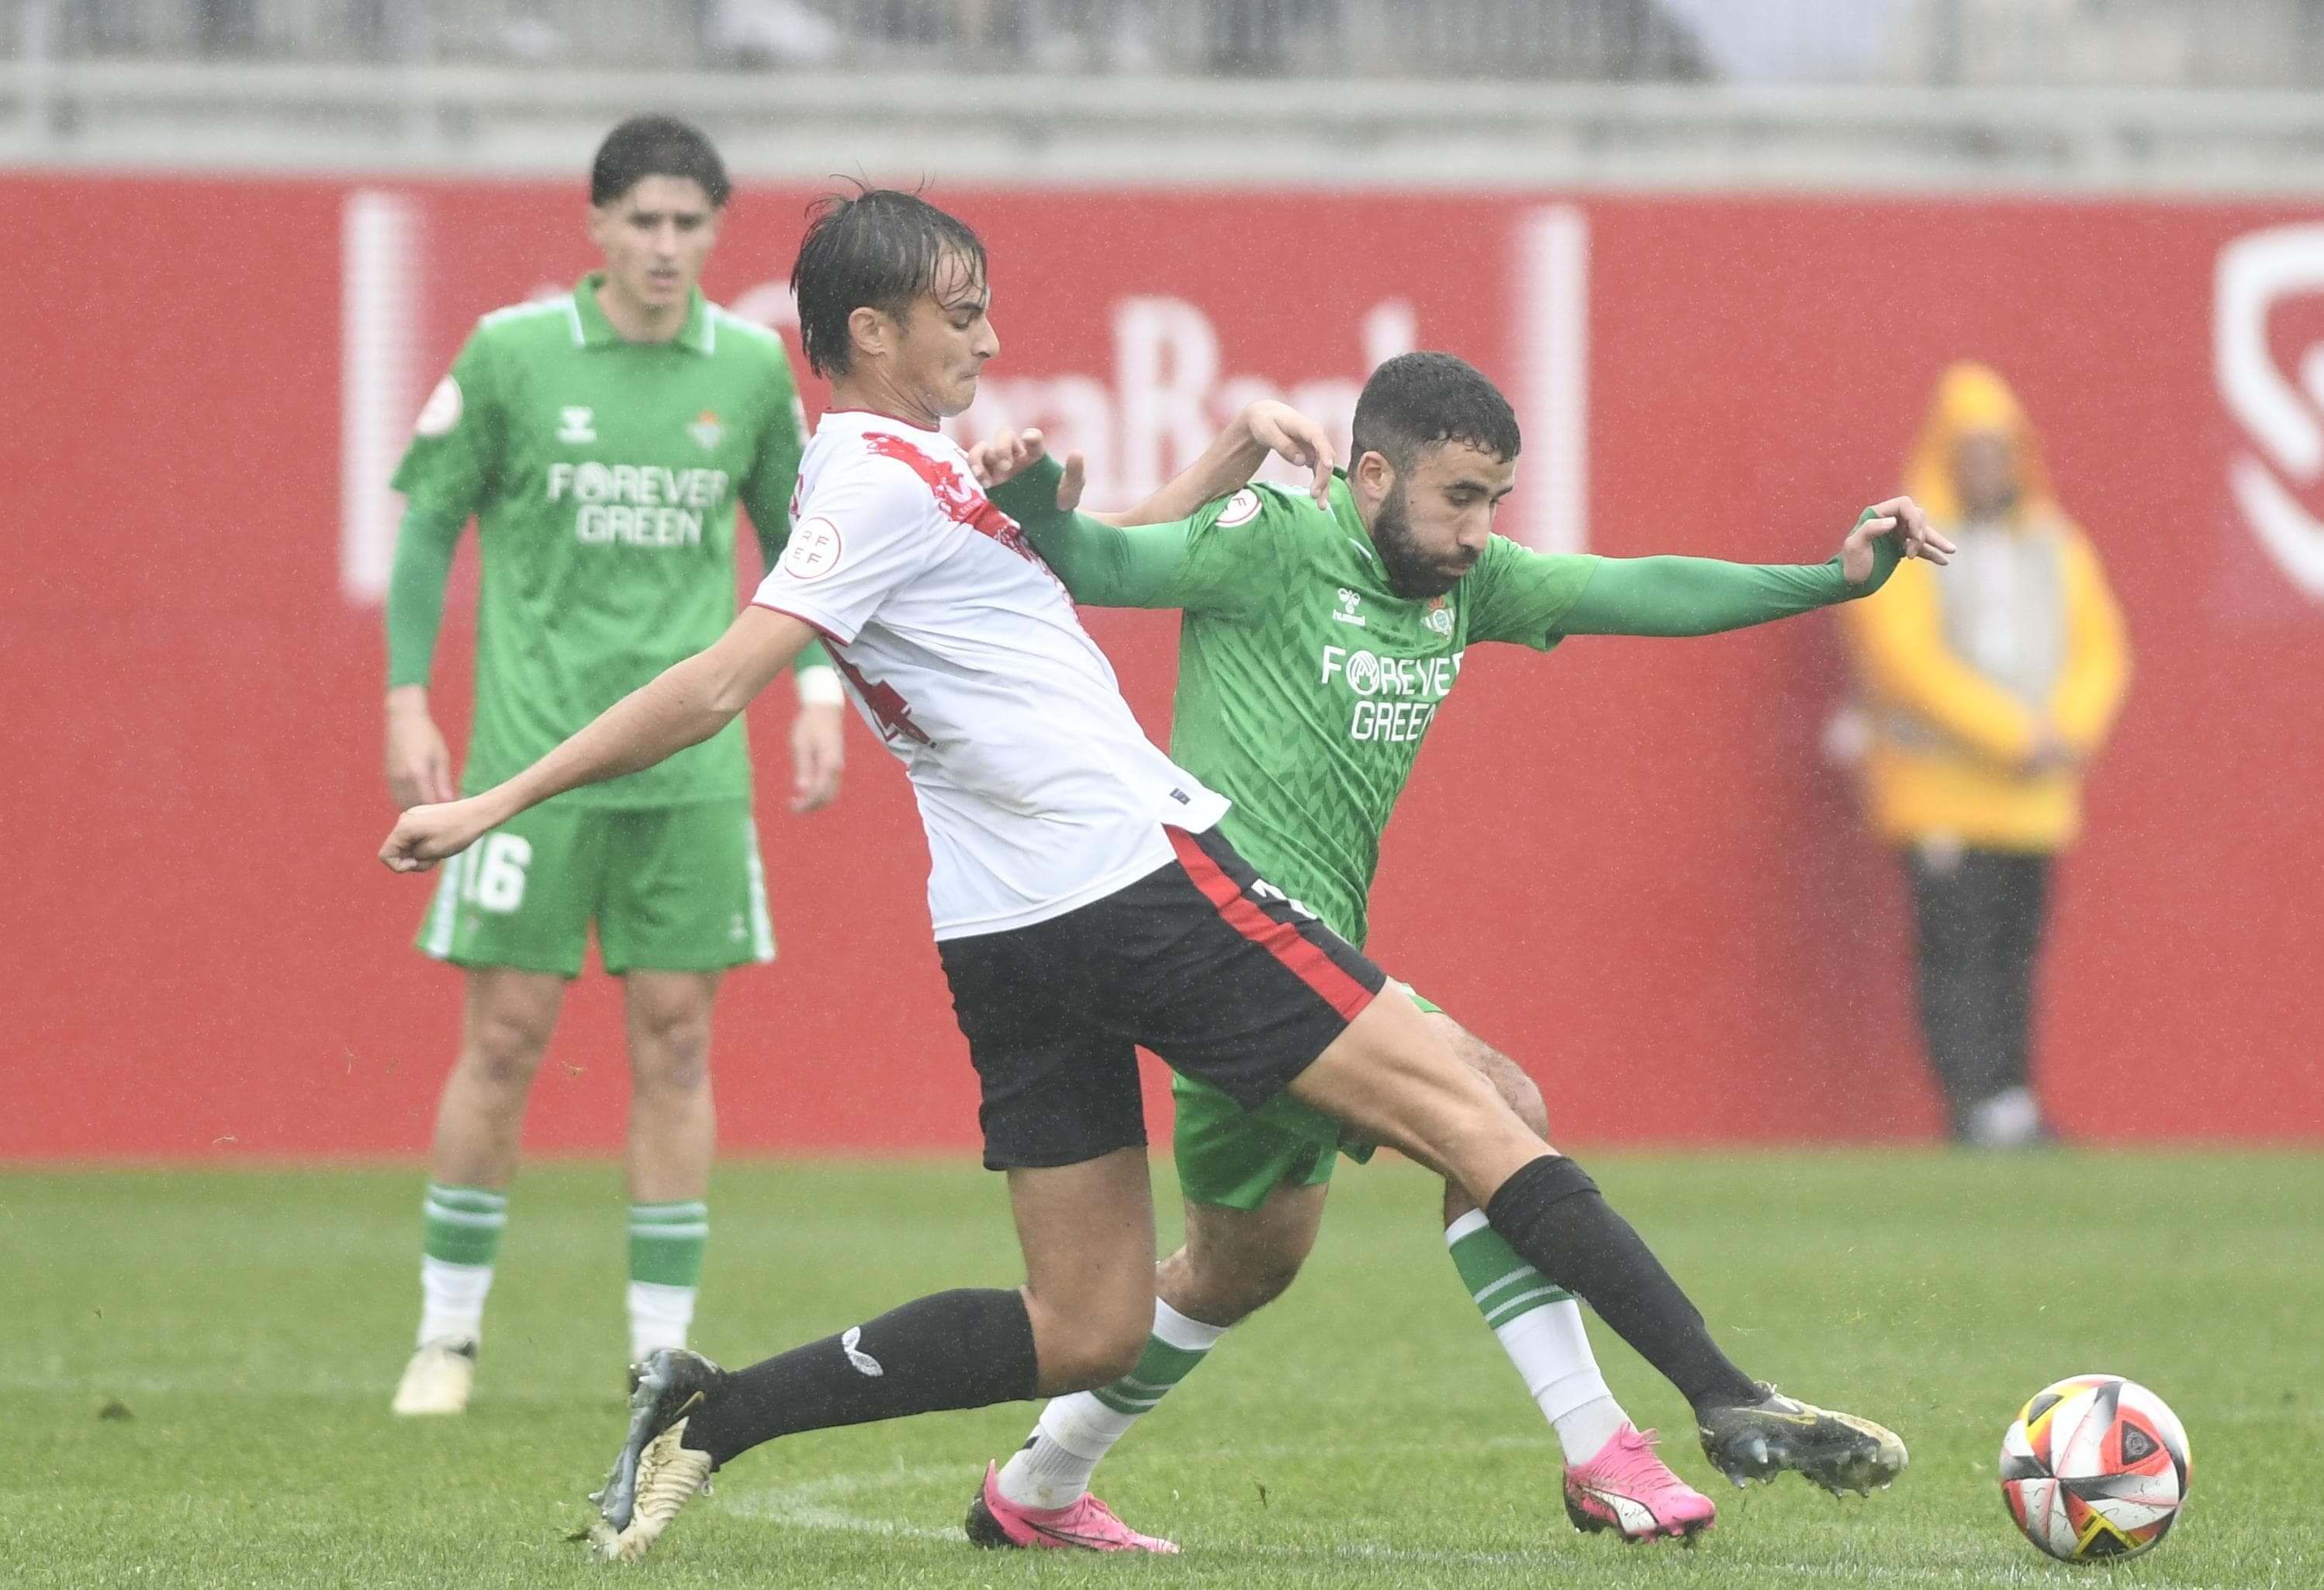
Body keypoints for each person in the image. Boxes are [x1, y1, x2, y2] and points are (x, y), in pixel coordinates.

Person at [379, 188, 1907, 1565]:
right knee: (1474, 1104)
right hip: (1132, 878)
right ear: (873, 326)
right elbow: (717, 683)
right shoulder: (866, 486)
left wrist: (1222, 449)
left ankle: (715, 1410)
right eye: (962, 307)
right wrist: (500, 798)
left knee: (1088, 1320)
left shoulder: (918, 469)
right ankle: (1718, 1396)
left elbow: (1084, 571)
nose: (990, 332)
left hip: (1003, 930)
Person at [961, 351, 1952, 1550]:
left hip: (1301, 970)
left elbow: (1639, 588)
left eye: (1497, 503)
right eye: (1461, 498)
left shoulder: (1463, 586)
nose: (1482, 532)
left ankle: (1039, 1486)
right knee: (1499, 1106)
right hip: (1230, 952)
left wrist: (1830, 581)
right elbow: (1101, 564)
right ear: (1373, 472)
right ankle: (1604, 1447)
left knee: (1238, 1267)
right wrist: (1035, 510)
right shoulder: (1269, 540)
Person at [382, 115, 848, 1416]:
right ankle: (448, 1335)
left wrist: (817, 687)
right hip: (528, 762)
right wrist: (406, 696)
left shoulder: (751, 370)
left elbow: (799, 539)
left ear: (715, 232)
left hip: (690, 773)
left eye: (688, 223)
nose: (663, 244)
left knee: (678, 1043)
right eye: (640, 219)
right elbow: (427, 523)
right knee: (509, 1036)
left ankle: (659, 1352)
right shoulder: (514, 354)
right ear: (595, 226)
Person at [1837, 362, 2129, 1148]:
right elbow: (1906, 663)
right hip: (1941, 794)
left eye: (1998, 448)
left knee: (2012, 958)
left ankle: (2010, 1099)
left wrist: (2063, 731)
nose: (1985, 465)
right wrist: (2011, 733)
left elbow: (2100, 649)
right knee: (1956, 958)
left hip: (2034, 801)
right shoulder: (1910, 545)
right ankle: (1972, 1104)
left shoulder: (2054, 544)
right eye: (1969, 449)